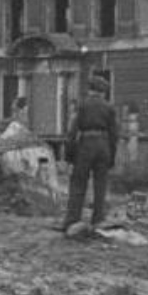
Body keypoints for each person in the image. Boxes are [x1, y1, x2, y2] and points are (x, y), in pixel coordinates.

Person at [62, 76, 119, 230]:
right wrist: (112, 157)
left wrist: (69, 156)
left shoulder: (82, 106)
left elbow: (72, 132)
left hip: (86, 145)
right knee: (101, 184)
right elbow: (114, 135)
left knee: (78, 183)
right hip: (104, 146)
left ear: (90, 90)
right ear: (103, 92)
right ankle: (98, 220)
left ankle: (72, 219)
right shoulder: (109, 108)